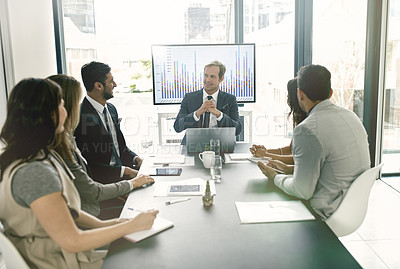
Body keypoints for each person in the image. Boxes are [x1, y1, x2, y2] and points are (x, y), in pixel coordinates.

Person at [0, 78, 158, 268]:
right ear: (47, 114)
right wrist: (131, 226)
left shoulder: (38, 156)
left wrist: (116, 223)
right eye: (61, 104)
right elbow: (72, 241)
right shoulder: (35, 172)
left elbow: (67, 212)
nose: (66, 111)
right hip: (58, 261)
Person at [257, 64, 370, 220]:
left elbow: (302, 191)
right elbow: (330, 167)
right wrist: (288, 169)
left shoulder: (308, 129)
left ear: (300, 94)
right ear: (330, 93)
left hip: (326, 212)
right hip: (353, 209)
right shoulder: (351, 116)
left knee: (266, 203)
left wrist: (275, 176)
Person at [48, 74, 154, 217]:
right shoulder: (61, 147)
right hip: (94, 204)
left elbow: (120, 148)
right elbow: (91, 188)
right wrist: (130, 184)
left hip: (99, 195)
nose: (78, 108)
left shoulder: (66, 140)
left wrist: (136, 162)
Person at [74, 61, 142, 184]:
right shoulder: (80, 117)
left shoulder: (111, 109)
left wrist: (136, 159)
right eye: (111, 81)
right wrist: (126, 172)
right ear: (98, 86)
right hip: (105, 181)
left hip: (123, 174)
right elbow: (91, 165)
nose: (115, 85)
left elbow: (120, 148)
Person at [173, 60, 242, 144]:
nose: (207, 80)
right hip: (193, 145)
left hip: (221, 145)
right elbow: (177, 127)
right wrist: (197, 113)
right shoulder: (189, 98)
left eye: (212, 76)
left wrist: (219, 115)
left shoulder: (230, 99)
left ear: (221, 78)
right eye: (206, 75)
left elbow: (237, 129)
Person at [249, 78, 307, 171]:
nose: (287, 97)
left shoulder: (307, 123)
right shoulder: (300, 119)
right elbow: (290, 149)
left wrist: (266, 155)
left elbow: (296, 159)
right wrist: (264, 151)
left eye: (289, 94)